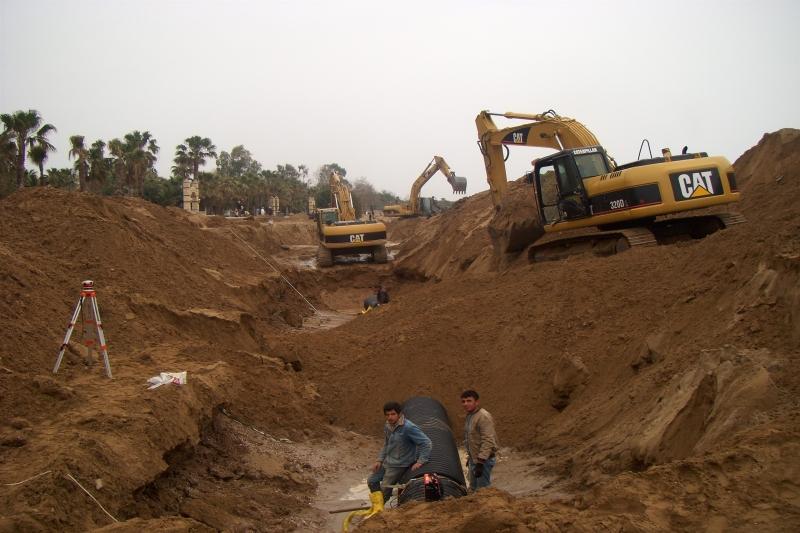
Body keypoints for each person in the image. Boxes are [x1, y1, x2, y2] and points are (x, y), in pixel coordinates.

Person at [367, 401, 432, 509]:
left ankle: (378, 510)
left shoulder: (408, 427)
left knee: (384, 488)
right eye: (387, 415)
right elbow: (386, 444)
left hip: (399, 464)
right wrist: (379, 460)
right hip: (388, 461)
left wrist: (421, 461)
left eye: (393, 414)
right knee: (372, 481)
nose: (390, 417)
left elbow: (426, 442)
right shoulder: (388, 426)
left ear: (399, 414)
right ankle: (377, 504)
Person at [461, 390, 498, 491]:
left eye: (469, 401)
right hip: (474, 460)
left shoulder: (483, 416)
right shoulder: (470, 416)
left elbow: (488, 440)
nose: (465, 404)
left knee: (482, 491)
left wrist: (480, 463)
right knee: (473, 489)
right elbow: (472, 439)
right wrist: (471, 458)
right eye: (463, 401)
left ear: (477, 402)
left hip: (483, 461)